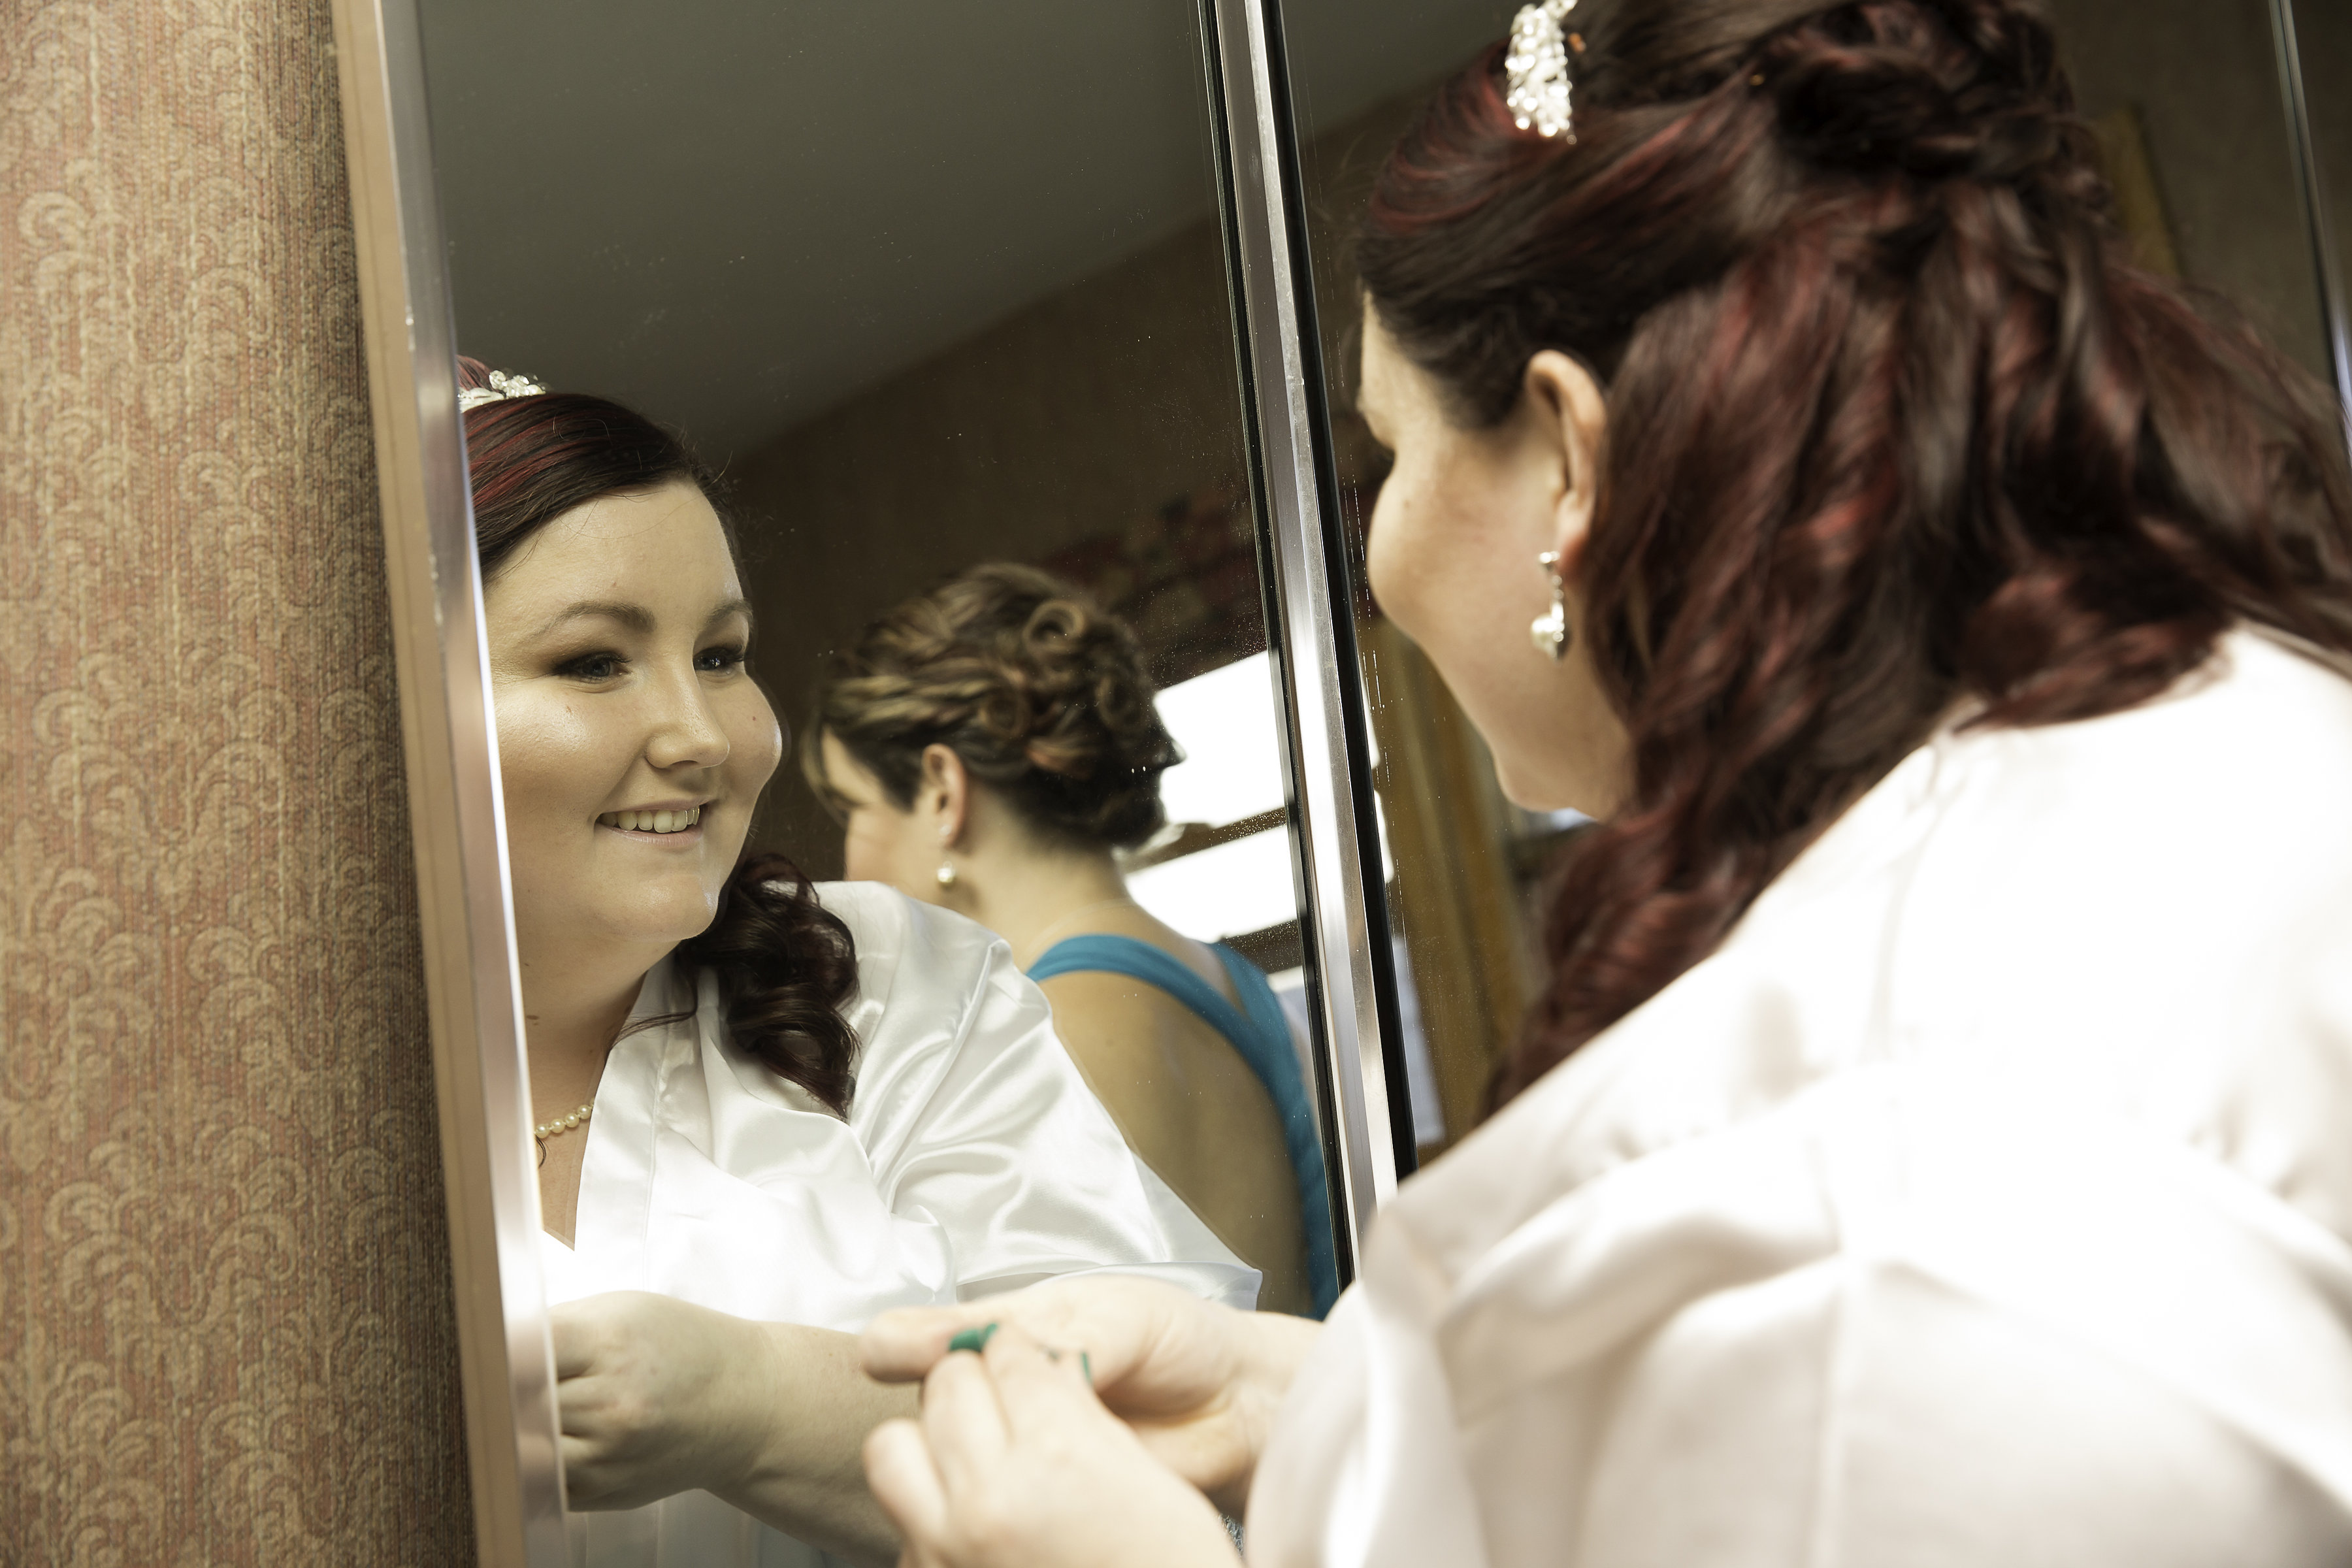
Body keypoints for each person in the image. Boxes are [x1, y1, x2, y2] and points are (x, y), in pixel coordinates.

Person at [847, 1, 2352, 1564]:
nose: (1376, 552)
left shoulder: (1873, 1190)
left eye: (1387, 454)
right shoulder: (2207, 741)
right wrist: (1334, 1398)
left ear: (1567, 453)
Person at [455, 359, 1256, 1568]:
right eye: (592, 663)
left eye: (722, 655)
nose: (705, 738)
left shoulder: (893, 990)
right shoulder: (253, 1080)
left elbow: (1164, 1459)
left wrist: (755, 1398)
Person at [806, 564, 1338, 1318]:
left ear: (941, 792)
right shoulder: (1230, 981)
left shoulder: (1049, 1034)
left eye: (852, 808)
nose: (848, 859)